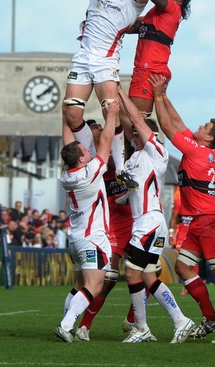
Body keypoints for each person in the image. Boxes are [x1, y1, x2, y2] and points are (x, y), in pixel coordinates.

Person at [148, 73, 215, 345]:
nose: (199, 126)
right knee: (182, 267)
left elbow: (168, 127)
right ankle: (211, 318)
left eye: (204, 126)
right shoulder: (202, 149)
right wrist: (165, 95)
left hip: (210, 222)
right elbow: (178, 122)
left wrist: (156, 95)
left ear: (209, 137)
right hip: (199, 220)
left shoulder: (196, 152)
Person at [63, 0, 150, 189]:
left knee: (110, 110)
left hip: (105, 60)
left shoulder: (133, 3)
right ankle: (89, 155)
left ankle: (121, 169)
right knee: (72, 113)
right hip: (82, 56)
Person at [116, 88, 196, 343]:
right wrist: (122, 194)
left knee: (131, 272)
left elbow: (136, 121)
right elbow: (131, 193)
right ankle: (181, 321)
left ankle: (141, 329)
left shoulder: (158, 152)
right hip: (144, 221)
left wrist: (118, 91)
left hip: (150, 221)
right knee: (148, 275)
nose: (133, 134)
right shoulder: (134, 159)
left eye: (136, 132)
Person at [54, 99, 120, 342]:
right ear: (81, 159)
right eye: (84, 151)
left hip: (76, 239)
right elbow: (106, 143)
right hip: (92, 238)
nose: (87, 150)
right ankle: (67, 324)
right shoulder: (89, 172)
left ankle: (65, 321)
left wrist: (65, 117)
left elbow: (68, 144)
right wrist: (111, 114)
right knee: (95, 285)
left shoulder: (66, 175)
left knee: (79, 285)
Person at [74, 120, 137, 341]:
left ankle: (133, 321)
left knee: (151, 273)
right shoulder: (92, 159)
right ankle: (83, 326)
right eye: (94, 128)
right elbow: (109, 164)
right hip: (110, 224)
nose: (100, 128)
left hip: (135, 221)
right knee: (108, 278)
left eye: (102, 126)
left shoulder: (119, 149)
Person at [127, 0, 193, 115]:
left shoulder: (172, 8)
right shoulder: (156, 14)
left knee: (136, 122)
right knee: (132, 122)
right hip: (146, 69)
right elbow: (132, 25)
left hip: (150, 70)